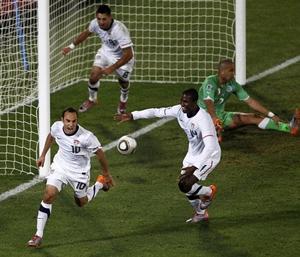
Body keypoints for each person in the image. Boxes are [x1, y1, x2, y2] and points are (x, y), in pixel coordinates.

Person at [114, 88, 221, 223]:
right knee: (183, 185)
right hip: (193, 153)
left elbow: (210, 146)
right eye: (182, 100)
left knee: (186, 184)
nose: (182, 104)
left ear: (194, 102)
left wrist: (194, 167)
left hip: (210, 155)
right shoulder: (179, 110)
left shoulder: (203, 119)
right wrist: (132, 115)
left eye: (186, 102)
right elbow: (156, 112)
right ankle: (201, 213)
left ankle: (208, 192)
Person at [27, 107, 114, 248]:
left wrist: (106, 174)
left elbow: (100, 154)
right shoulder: (56, 127)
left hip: (79, 173)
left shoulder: (86, 137)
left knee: (81, 202)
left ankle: (99, 183)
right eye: (68, 121)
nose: (71, 124)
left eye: (74, 121)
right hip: (60, 167)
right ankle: (38, 235)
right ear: (62, 120)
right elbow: (51, 137)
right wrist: (42, 155)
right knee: (49, 194)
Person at [197, 59, 300, 141]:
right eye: (231, 70)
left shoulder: (233, 84)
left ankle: (289, 127)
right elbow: (208, 102)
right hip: (202, 118)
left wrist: (271, 114)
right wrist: (214, 119)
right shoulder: (210, 82)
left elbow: (250, 101)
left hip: (220, 117)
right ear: (222, 72)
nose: (234, 73)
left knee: (253, 117)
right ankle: (212, 134)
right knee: (208, 134)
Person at [62, 4, 134, 114]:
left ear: (110, 17)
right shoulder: (95, 24)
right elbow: (86, 33)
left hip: (122, 57)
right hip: (106, 52)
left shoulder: (119, 30)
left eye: (104, 19)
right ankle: (92, 99)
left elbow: (128, 54)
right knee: (93, 76)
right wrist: (71, 46)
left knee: (123, 82)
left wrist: (111, 68)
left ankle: (123, 101)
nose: (101, 22)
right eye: (99, 19)